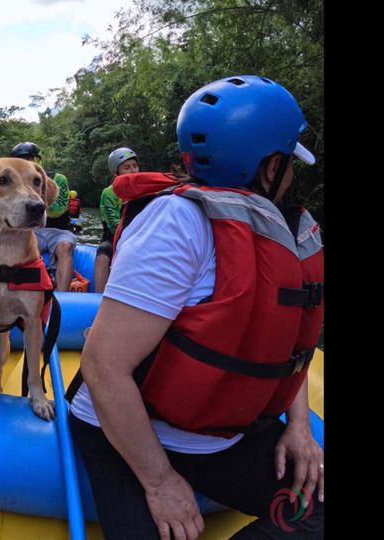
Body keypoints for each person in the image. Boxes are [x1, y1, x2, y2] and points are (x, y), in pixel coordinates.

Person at [69, 75, 324, 539]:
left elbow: (285, 338)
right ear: (269, 168)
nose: (291, 177)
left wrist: (299, 427)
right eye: (289, 164)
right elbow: (104, 368)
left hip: (224, 435)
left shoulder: (282, 227)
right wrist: (160, 480)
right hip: (131, 432)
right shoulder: (176, 223)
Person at [9, 142, 78, 292]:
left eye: (29, 159)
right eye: (21, 161)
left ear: (38, 160)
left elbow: (58, 209)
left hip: (59, 231)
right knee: (18, 245)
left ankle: (62, 296)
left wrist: (37, 198)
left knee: (65, 246)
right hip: (32, 232)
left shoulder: (58, 179)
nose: (26, 164)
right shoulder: (13, 184)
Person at [94, 147, 139, 293]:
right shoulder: (109, 193)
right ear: (116, 173)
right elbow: (114, 226)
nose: (133, 171)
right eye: (127, 167)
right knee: (102, 253)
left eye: (135, 166)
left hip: (140, 238)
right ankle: (99, 297)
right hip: (113, 239)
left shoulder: (145, 189)